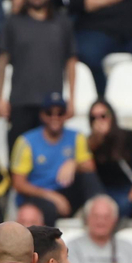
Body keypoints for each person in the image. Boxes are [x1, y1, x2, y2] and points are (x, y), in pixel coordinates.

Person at [0, 0, 77, 154]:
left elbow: (71, 62)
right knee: (18, 156)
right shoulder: (13, 22)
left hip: (53, 105)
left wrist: (72, 99)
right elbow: (2, 60)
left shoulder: (62, 22)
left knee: (51, 157)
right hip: (20, 100)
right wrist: (0, 97)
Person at [10, 92, 101, 224]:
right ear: (42, 115)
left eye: (60, 113)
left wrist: (74, 163)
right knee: (48, 209)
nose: (55, 117)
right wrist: (51, 196)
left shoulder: (76, 137)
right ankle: (49, 241)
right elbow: (19, 184)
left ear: (66, 115)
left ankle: (99, 215)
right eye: (49, 112)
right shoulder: (26, 141)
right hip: (37, 194)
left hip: (65, 191)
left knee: (89, 179)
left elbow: (90, 168)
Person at [86, 100, 132, 219]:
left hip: (131, 187)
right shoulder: (90, 143)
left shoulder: (129, 136)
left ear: (112, 116)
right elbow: (89, 172)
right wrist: (98, 140)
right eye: (94, 117)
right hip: (107, 191)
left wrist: (130, 198)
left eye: (103, 116)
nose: (99, 120)